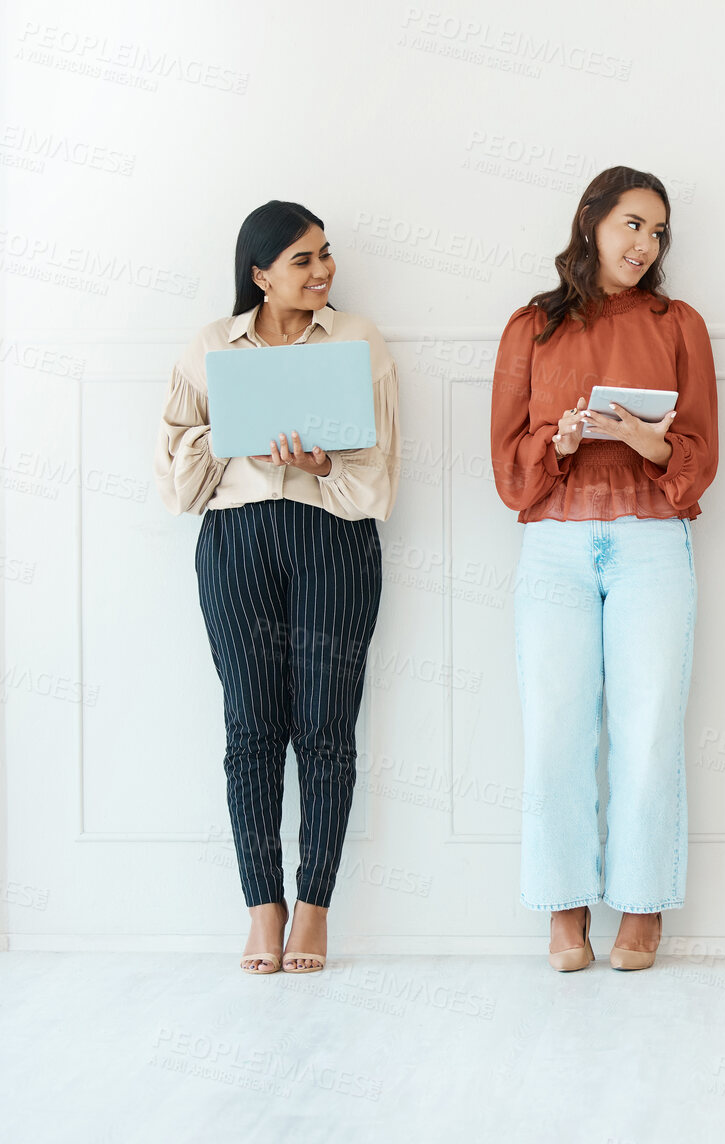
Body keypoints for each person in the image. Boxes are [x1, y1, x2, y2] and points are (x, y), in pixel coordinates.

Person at [154, 200, 400, 974]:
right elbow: (175, 479)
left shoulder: (358, 341)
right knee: (251, 729)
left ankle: (315, 910)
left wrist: (322, 463)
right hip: (235, 540)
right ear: (258, 274)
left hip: (333, 537)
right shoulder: (209, 349)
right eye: (303, 259)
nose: (323, 270)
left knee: (327, 728)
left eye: (326, 254)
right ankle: (263, 909)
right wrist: (233, 429)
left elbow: (380, 476)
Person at [491, 166, 718, 973]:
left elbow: (697, 460)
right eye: (632, 224)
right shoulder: (531, 326)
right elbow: (509, 469)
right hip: (554, 541)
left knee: (649, 728)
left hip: (653, 539)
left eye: (657, 231)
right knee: (554, 728)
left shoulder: (679, 322)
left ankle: (643, 905)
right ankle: (562, 906)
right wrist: (557, 442)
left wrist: (646, 438)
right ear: (591, 221)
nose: (644, 243)